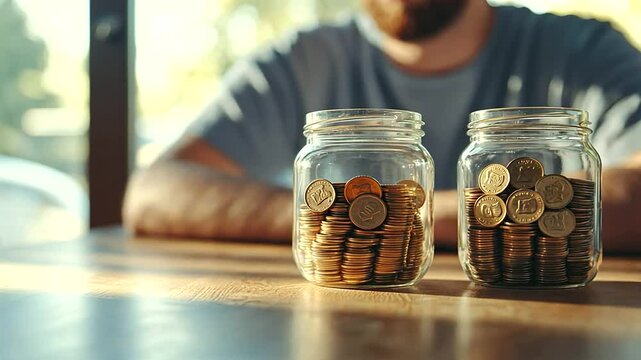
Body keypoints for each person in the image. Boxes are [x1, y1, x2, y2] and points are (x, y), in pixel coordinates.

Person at [123, 0, 641, 253]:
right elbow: (154, 193)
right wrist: (326, 220)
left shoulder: (583, 50)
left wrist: (404, 216)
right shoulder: (301, 60)